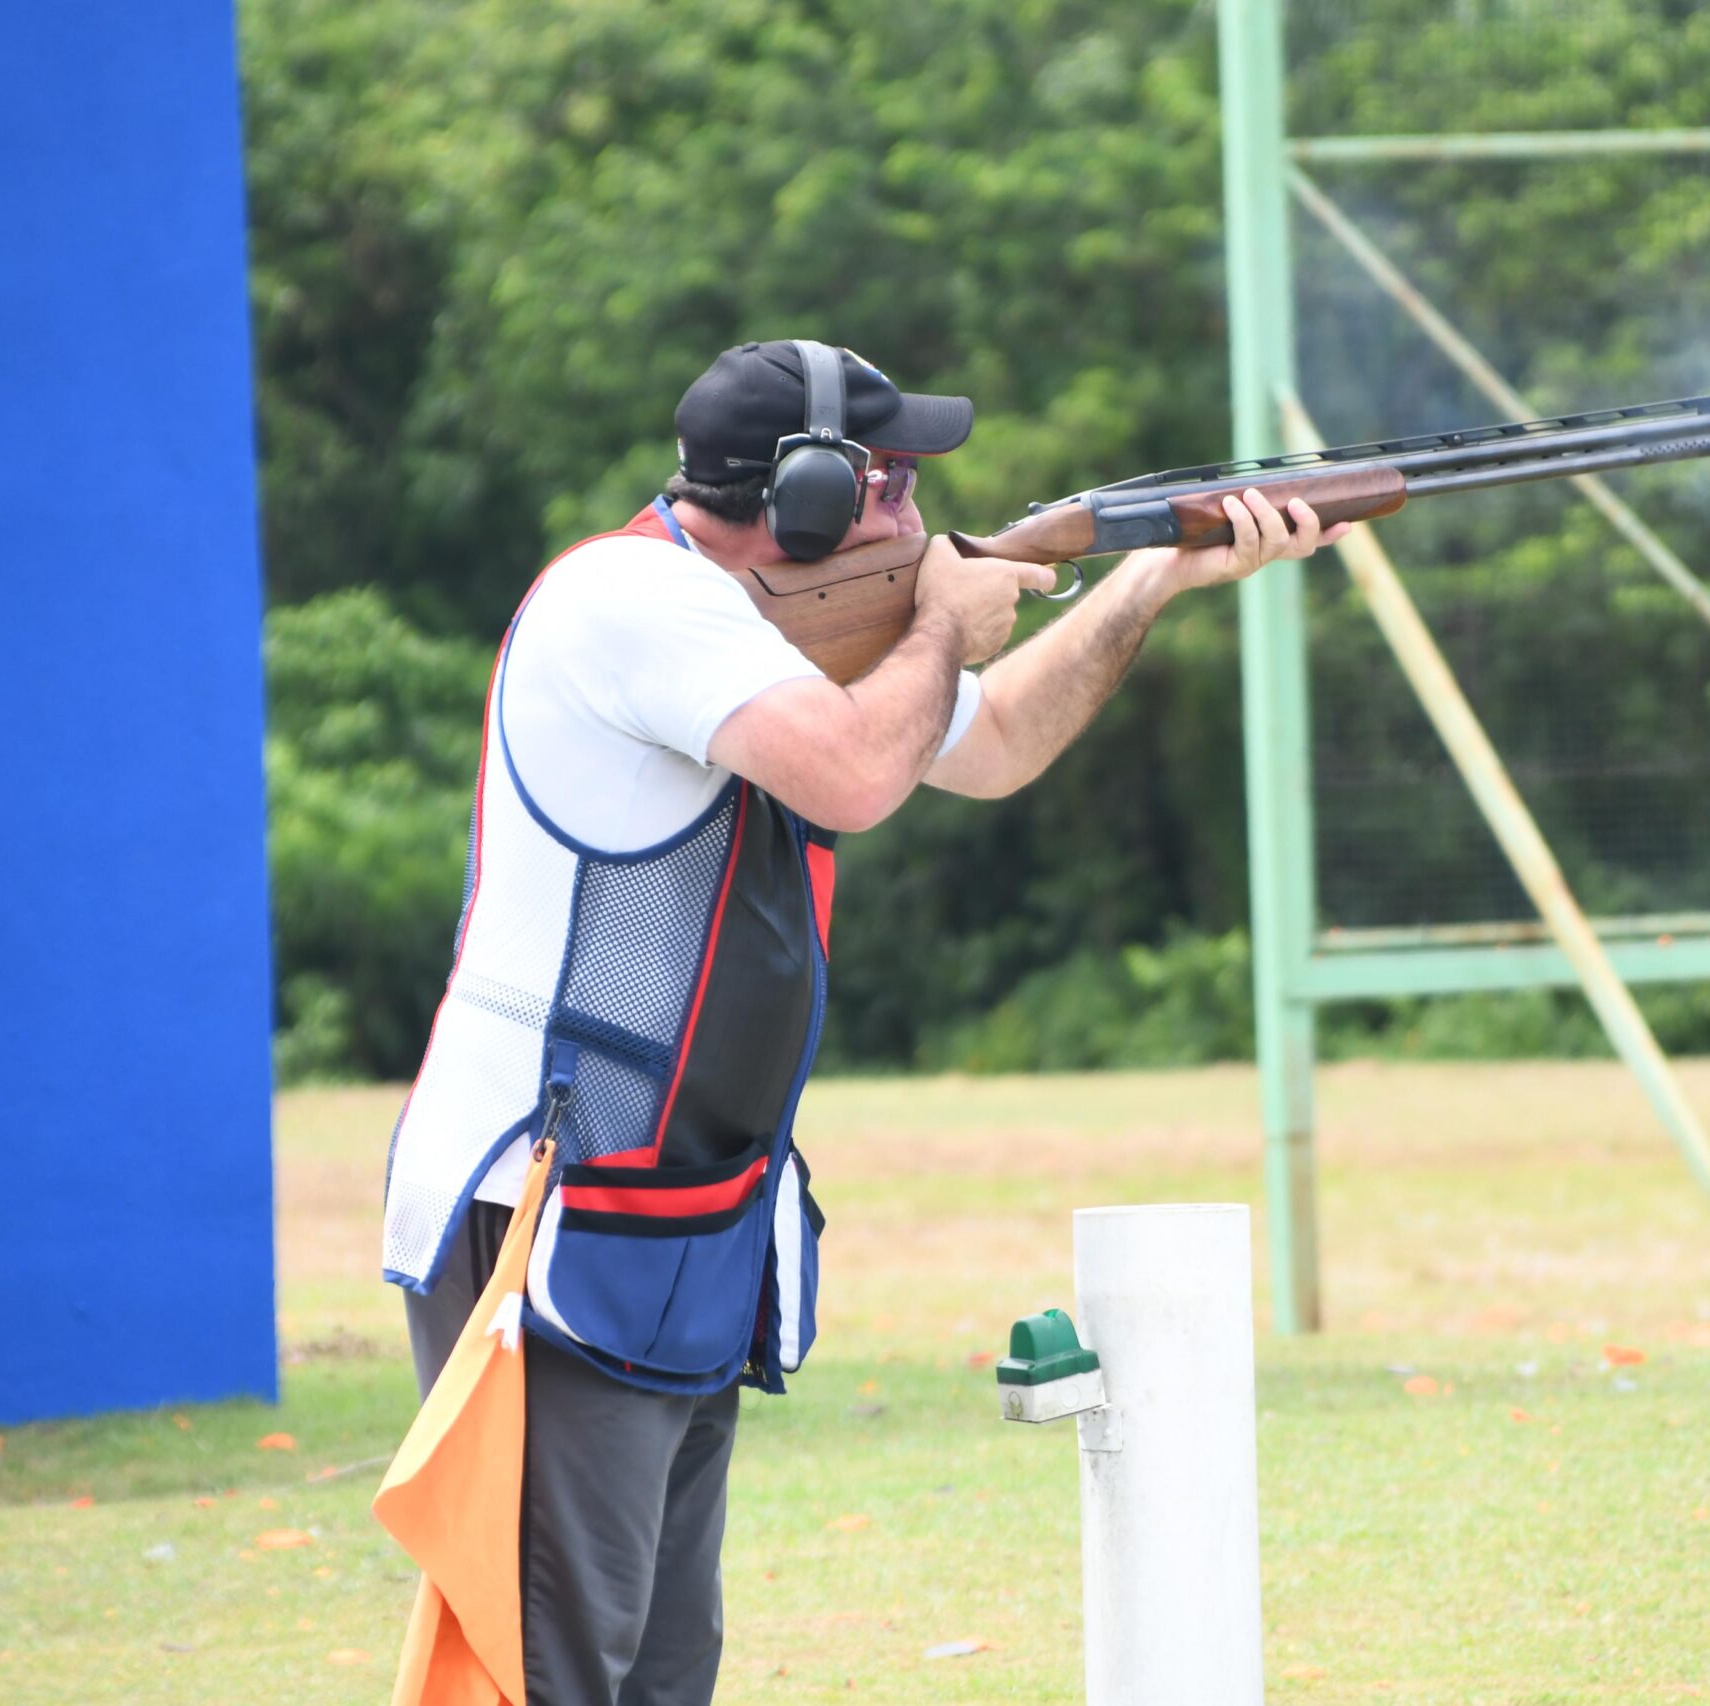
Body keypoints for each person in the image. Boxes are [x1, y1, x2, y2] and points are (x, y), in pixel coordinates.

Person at [379, 339, 1341, 1705]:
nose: (917, 510)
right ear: (810, 497)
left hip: (677, 1209)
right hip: (549, 1209)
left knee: (662, 1665)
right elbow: (855, 773)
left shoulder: (757, 627)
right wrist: (941, 625)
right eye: (892, 481)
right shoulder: (630, 599)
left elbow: (995, 745)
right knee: (550, 1668)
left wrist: (1152, 578)